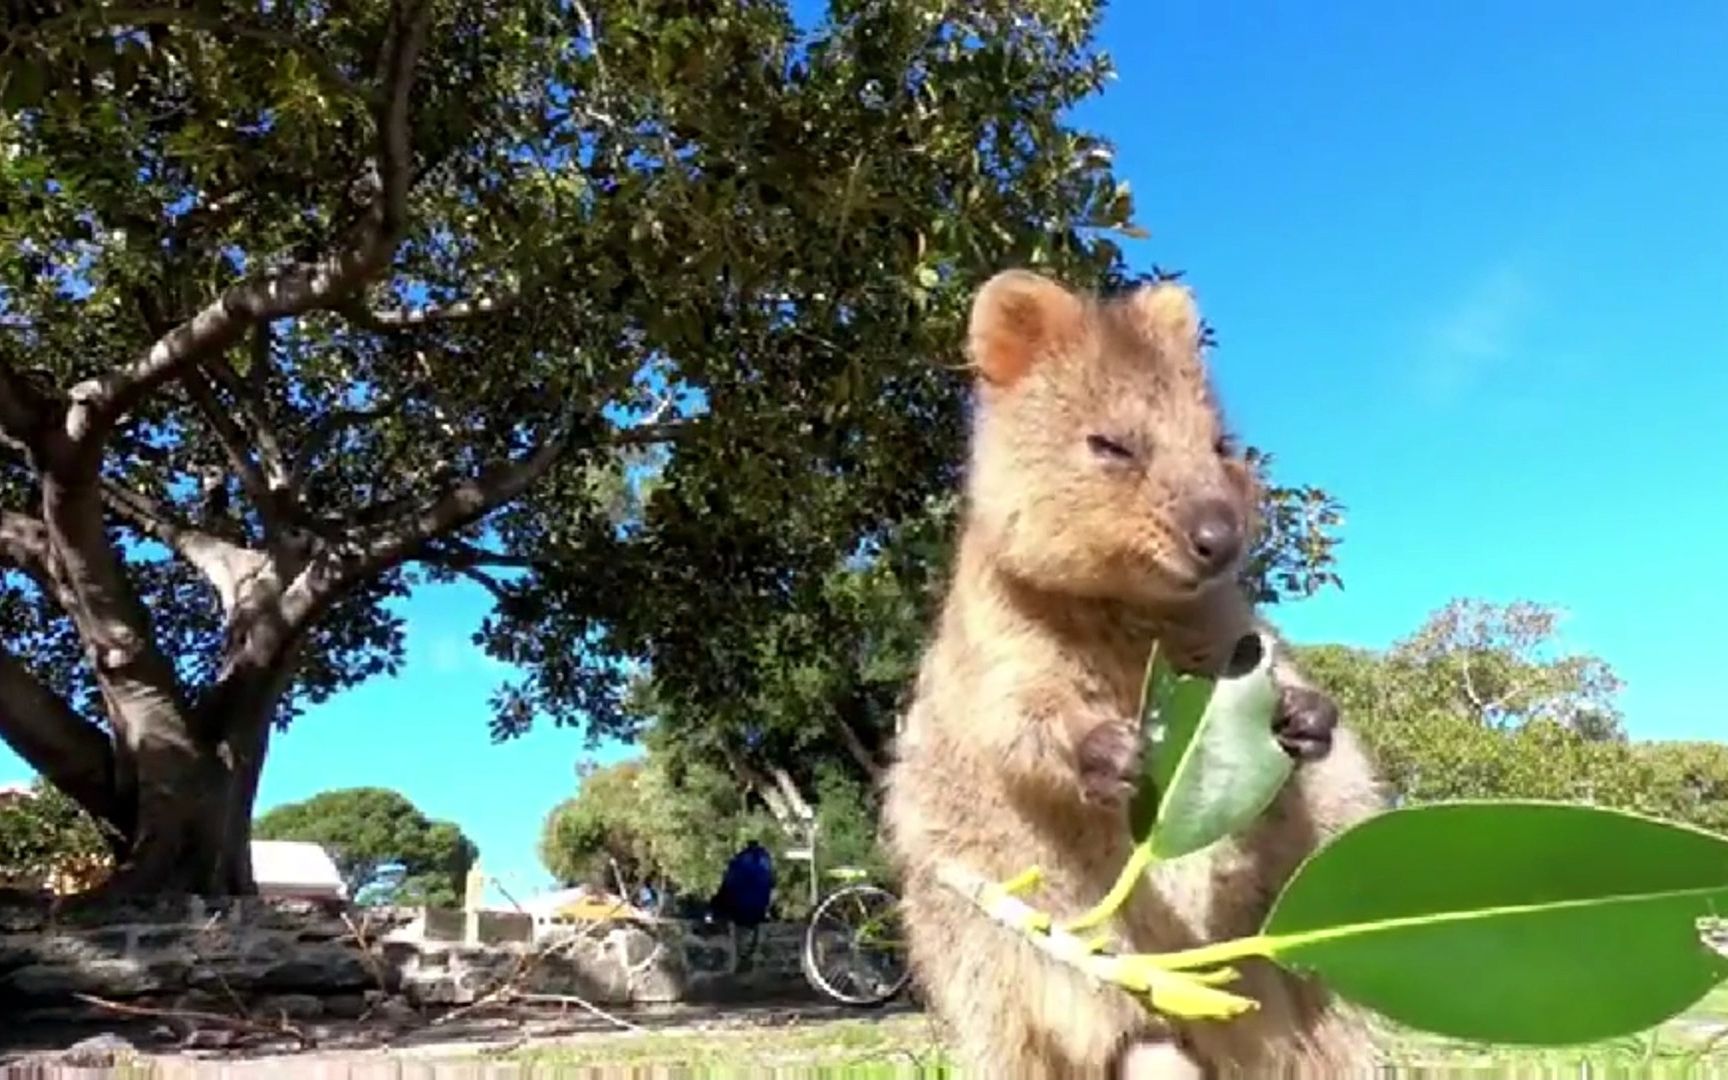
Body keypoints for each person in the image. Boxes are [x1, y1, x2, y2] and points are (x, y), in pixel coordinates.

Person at [705, 839, 776, 964]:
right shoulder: (764, 861)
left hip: (739, 905)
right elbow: (769, 883)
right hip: (755, 907)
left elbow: (730, 881)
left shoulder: (742, 860)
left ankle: (727, 950)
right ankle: (743, 954)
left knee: (721, 909)